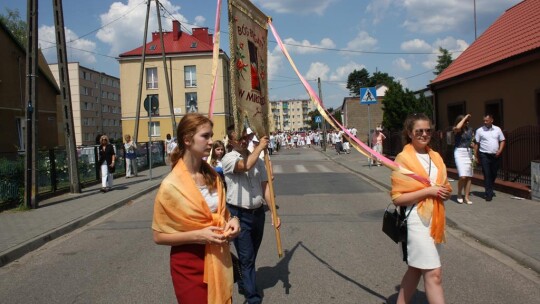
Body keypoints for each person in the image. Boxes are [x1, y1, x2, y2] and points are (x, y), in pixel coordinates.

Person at [152, 113, 241, 304]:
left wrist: (233, 220)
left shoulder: (213, 176)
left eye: (211, 135)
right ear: (187, 140)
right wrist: (199, 235)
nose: (211, 141)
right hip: (188, 264)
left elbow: (222, 214)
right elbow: (158, 236)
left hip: (218, 258)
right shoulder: (171, 185)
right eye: (205, 136)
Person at [391, 113, 452, 304]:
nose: (424, 134)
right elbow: (398, 198)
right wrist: (429, 191)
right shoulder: (404, 158)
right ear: (410, 133)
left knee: (417, 269)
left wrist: (444, 193)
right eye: (419, 131)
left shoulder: (436, 157)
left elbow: (444, 186)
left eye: (428, 130)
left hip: (435, 219)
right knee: (434, 274)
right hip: (417, 220)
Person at [222, 125, 280, 304]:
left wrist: (273, 212)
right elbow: (245, 166)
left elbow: (265, 187)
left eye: (245, 137)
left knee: (251, 255)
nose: (244, 140)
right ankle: (252, 298)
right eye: (239, 138)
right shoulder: (228, 158)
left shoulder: (259, 161)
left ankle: (241, 275)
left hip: (258, 214)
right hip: (238, 215)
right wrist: (260, 148)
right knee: (247, 258)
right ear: (231, 141)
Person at [474, 114, 506, 202]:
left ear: (492, 120)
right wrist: (475, 156)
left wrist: (500, 150)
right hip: (484, 155)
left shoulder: (497, 129)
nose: (485, 122)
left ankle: (490, 187)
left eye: (486, 120)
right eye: (484, 120)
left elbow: (502, 140)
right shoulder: (480, 131)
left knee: (494, 173)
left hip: (495, 155)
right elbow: (476, 144)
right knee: (487, 174)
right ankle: (488, 193)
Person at [453, 114, 474, 204]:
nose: (467, 122)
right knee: (462, 176)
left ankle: (466, 197)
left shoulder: (470, 130)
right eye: (465, 121)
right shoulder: (456, 129)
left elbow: (473, 142)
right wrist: (464, 117)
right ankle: (459, 194)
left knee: (469, 176)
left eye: (467, 121)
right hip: (459, 152)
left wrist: (475, 154)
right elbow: (458, 127)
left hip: (468, 152)